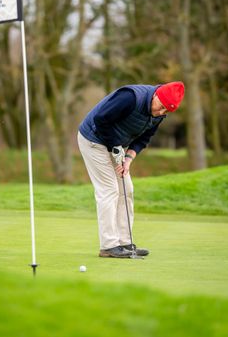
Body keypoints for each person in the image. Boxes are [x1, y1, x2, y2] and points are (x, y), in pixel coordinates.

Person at [77, 81, 185, 258]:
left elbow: (144, 138)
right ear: (157, 95)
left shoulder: (158, 113)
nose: (161, 113)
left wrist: (127, 159)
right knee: (109, 190)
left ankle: (125, 243)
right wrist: (115, 147)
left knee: (126, 189)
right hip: (93, 140)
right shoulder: (130, 98)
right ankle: (109, 245)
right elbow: (101, 120)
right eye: (161, 107)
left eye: (166, 111)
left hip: (115, 145)